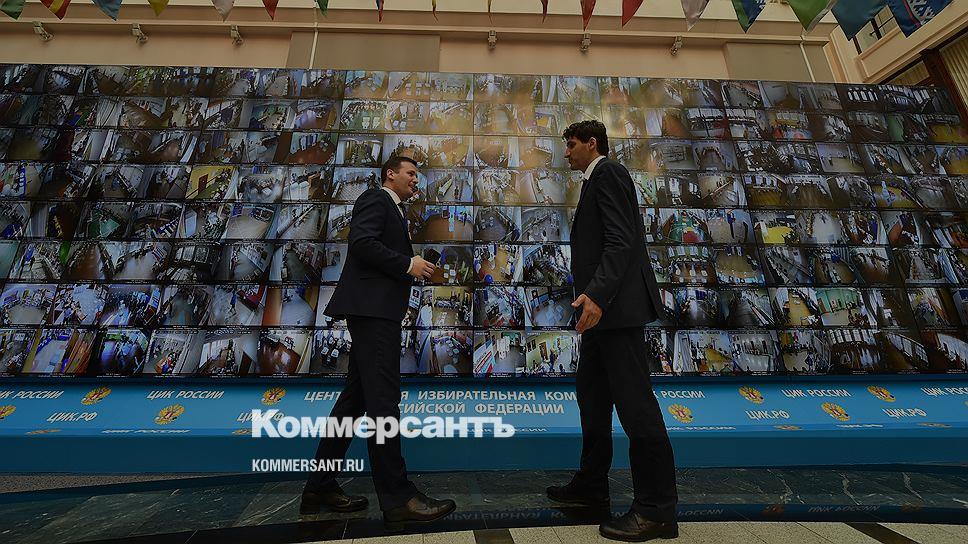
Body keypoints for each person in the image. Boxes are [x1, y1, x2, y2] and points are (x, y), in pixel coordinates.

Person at [301, 156, 457, 532]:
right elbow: (362, 244)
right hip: (373, 313)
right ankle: (398, 498)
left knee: (353, 403)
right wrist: (407, 265)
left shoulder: (394, 208)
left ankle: (319, 486)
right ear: (391, 174)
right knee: (384, 403)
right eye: (411, 174)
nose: (416, 180)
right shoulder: (376, 198)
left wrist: (412, 267)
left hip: (374, 312)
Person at [547, 120, 679, 542]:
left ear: (592, 143)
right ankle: (591, 485)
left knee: (637, 408)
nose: (566, 152)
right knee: (592, 398)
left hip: (615, 312)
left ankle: (657, 510)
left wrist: (598, 295)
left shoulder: (609, 172)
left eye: (571, 144)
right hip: (600, 317)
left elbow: (621, 242)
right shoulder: (594, 180)